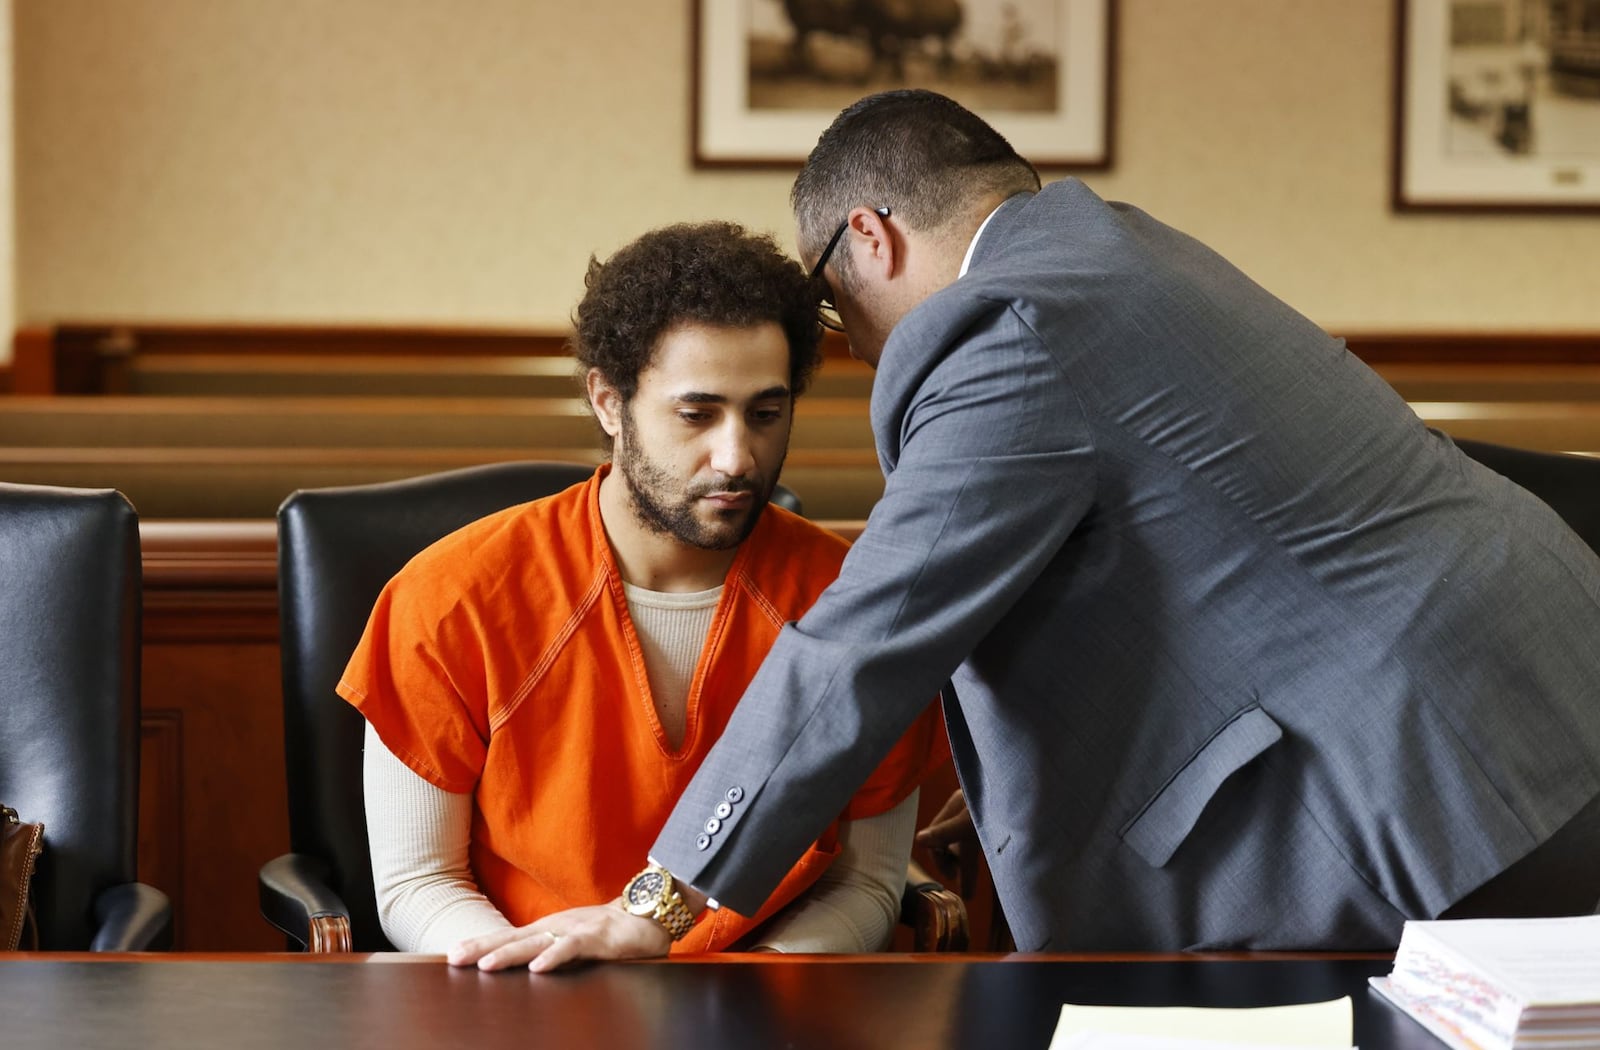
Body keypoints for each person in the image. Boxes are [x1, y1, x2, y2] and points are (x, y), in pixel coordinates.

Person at [467, 90, 1600, 971]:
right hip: (1541, 672)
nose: (850, 343)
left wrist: (657, 903)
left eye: (829, 303)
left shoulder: (1004, 328)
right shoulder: (1121, 247)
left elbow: (859, 648)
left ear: (868, 237)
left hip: (1436, 763)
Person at [338, 220, 947, 962]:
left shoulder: (857, 601)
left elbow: (868, 884)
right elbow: (418, 880)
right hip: (522, 994)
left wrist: (748, 1001)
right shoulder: (448, 598)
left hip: (767, 1013)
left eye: (766, 413)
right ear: (607, 402)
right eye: (696, 414)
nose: (736, 457)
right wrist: (532, 978)